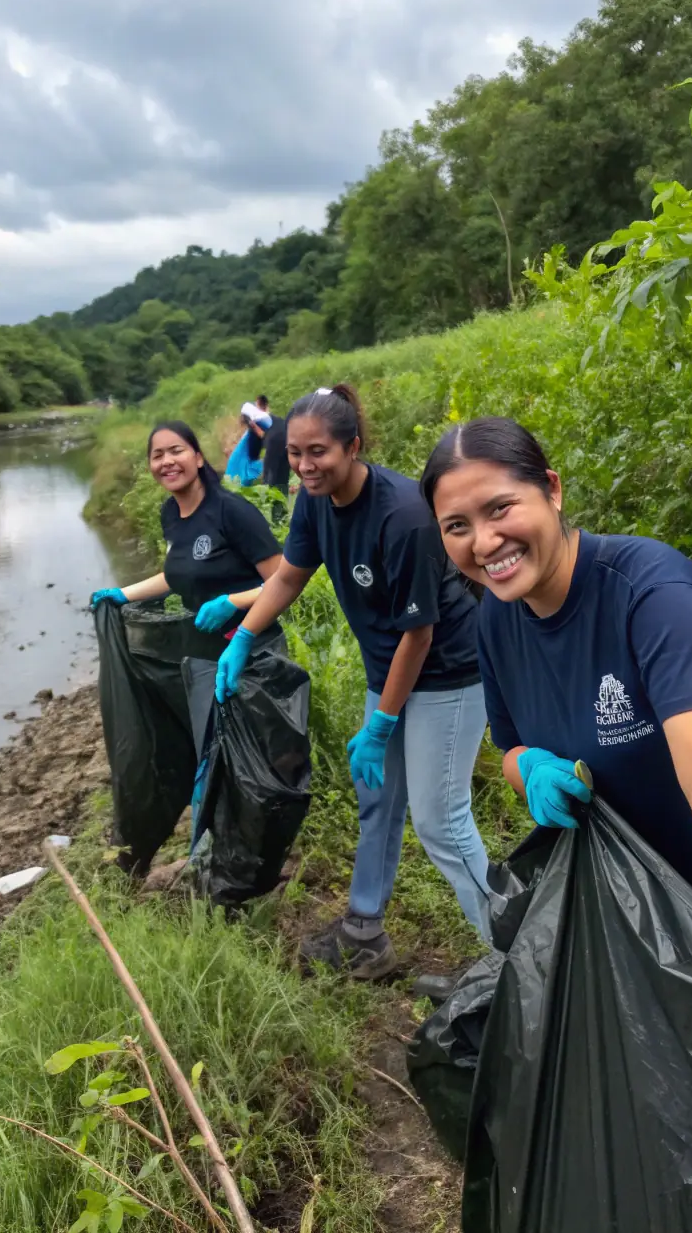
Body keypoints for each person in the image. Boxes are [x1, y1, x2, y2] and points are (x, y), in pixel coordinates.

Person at [422, 415, 692, 1077]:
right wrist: (534, 773)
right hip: (690, 915)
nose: (484, 541)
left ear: (550, 489)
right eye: (456, 526)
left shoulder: (648, 591)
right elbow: (512, 746)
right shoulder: (497, 618)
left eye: (500, 508)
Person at [215, 384, 492, 978]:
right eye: (294, 453)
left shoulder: (403, 516)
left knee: (440, 821)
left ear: (354, 448)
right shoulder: (314, 501)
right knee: (377, 800)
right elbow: (288, 578)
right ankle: (364, 932)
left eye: (319, 453)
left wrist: (381, 724)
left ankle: (520, 959)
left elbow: (418, 637)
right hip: (386, 668)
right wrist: (242, 637)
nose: (305, 466)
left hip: (450, 673)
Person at [91, 420, 281, 634]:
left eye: (176, 451)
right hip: (204, 646)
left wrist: (235, 602)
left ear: (198, 458)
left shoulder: (232, 511)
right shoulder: (170, 513)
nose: (167, 461)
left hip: (254, 646)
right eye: (158, 455)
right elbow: (182, 572)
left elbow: (283, 584)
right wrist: (123, 594)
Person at [249, 395, 291, 523]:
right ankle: (282, 517)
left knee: (271, 482)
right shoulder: (277, 420)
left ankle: (277, 519)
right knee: (282, 481)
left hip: (275, 449)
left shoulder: (259, 420)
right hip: (286, 447)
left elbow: (257, 443)